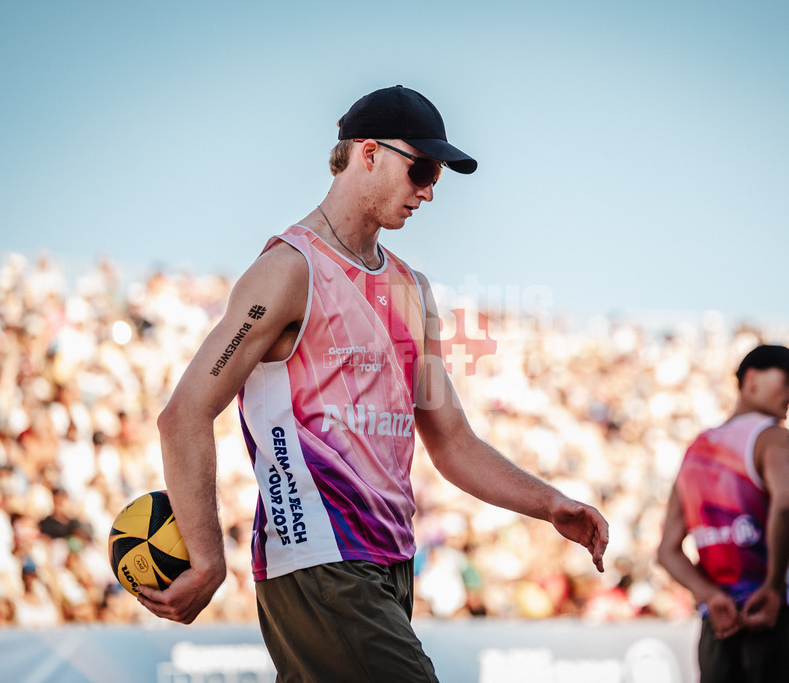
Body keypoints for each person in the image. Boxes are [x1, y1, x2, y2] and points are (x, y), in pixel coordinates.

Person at [137, 85, 609, 681]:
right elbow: (184, 413)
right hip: (319, 559)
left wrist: (549, 504)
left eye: (437, 175)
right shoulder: (287, 270)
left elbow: (453, 443)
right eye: (422, 168)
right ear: (367, 153)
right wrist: (207, 558)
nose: (430, 190)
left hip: (389, 563)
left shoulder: (413, 290)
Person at [657, 345, 789, 683]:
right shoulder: (773, 437)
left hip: (722, 624)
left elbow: (667, 550)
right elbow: (784, 505)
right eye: (788, 379)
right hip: (785, 611)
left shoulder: (695, 451)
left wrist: (711, 596)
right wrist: (772, 587)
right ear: (751, 380)